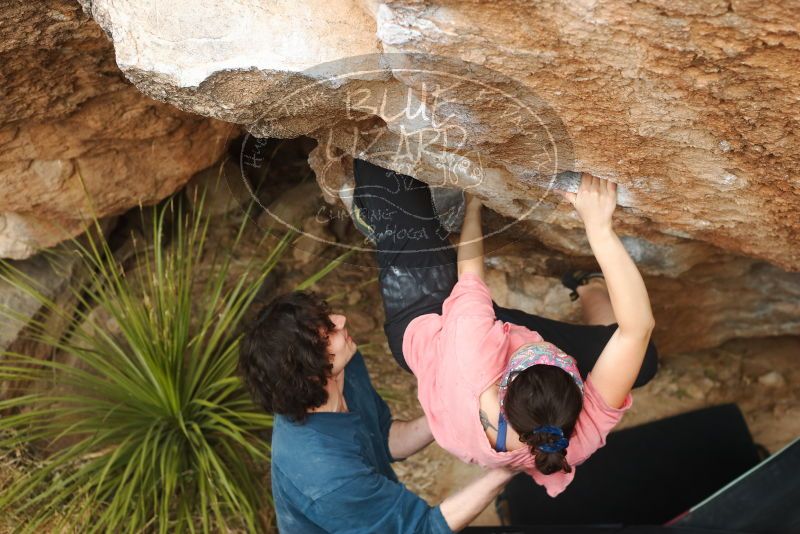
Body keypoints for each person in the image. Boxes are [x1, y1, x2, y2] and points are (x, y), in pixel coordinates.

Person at [348, 158, 658, 497]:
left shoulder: (473, 356)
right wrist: (600, 228)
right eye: (552, 352)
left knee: (383, 173)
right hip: (477, 359)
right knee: (641, 361)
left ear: (505, 382)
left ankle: (374, 213)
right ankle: (590, 285)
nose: (541, 342)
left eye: (535, 350)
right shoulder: (569, 440)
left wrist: (472, 207)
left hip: (430, 330)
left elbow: (471, 272)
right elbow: (637, 329)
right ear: (577, 393)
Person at [238, 291, 516, 533]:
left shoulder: (340, 369)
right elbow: (420, 528)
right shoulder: (324, 475)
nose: (341, 320)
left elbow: (383, 439)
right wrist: (507, 470)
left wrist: (454, 407)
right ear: (309, 372)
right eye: (327, 332)